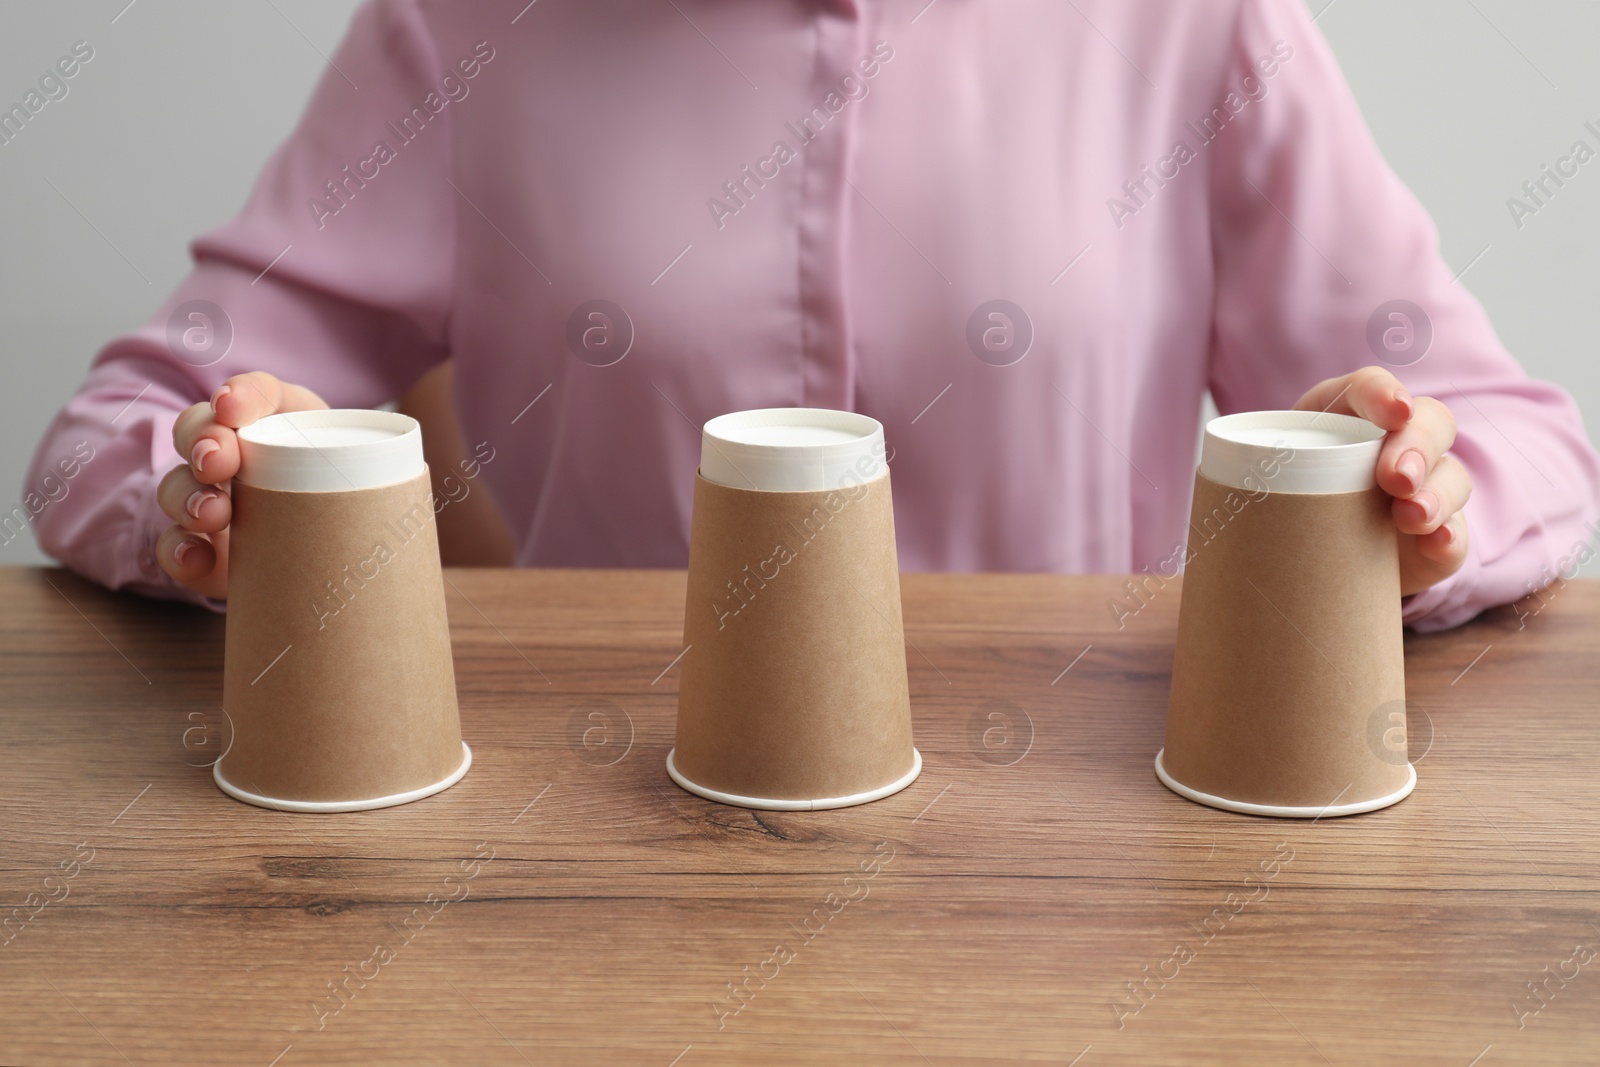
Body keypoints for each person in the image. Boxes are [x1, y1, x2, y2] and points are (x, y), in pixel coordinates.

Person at [22, 0, 1600, 632]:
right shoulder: (465, 25)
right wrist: (211, 483)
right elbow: (124, 428)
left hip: (1096, 879)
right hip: (583, 879)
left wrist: (1411, 497)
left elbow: (1520, 441)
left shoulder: (1191, 20)